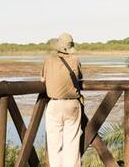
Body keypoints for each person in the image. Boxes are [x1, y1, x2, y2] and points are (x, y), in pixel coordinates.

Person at [41, 33, 83, 167]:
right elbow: (79, 78)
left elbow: (42, 79)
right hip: (72, 104)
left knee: (54, 145)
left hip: (54, 103)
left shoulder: (48, 60)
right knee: (72, 144)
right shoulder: (75, 60)